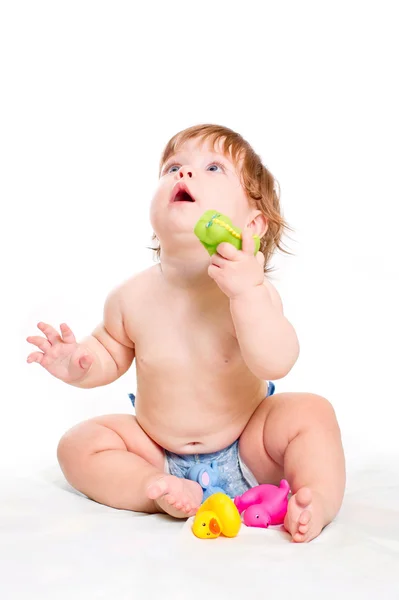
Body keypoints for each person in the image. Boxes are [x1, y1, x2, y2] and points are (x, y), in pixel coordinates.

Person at [26, 124, 345, 543]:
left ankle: (314, 498)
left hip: (249, 445)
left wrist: (246, 294)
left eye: (213, 167)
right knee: (78, 445)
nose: (184, 175)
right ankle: (153, 490)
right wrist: (79, 363)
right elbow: (107, 352)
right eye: (173, 166)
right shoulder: (130, 296)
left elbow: (277, 361)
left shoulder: (251, 293)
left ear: (252, 224)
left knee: (311, 413)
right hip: (156, 451)